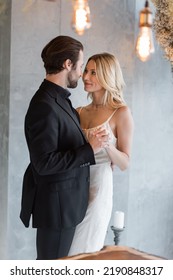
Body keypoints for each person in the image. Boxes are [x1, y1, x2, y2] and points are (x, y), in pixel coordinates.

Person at [20, 36, 109, 260]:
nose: (81, 74)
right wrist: (89, 150)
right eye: (80, 66)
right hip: (57, 210)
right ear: (67, 64)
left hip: (65, 207)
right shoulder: (44, 105)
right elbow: (44, 163)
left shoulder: (59, 99)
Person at [68, 52, 134, 256]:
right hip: (72, 186)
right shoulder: (77, 111)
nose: (85, 77)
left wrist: (107, 146)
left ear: (107, 76)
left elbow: (124, 163)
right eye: (86, 70)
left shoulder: (121, 113)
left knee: (84, 249)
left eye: (93, 72)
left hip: (98, 190)